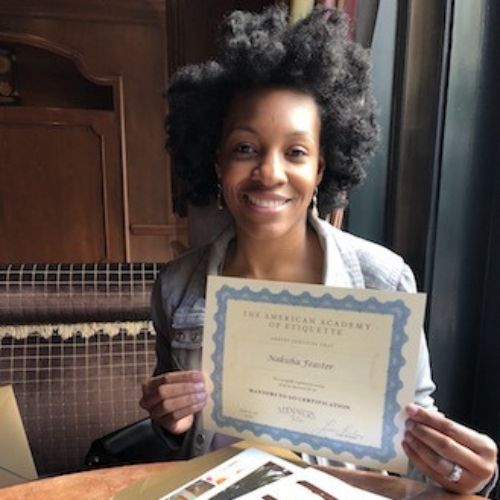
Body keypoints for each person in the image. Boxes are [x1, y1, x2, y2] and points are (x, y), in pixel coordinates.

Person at [140, 5, 497, 495]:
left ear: (322, 170)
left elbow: (414, 446)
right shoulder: (177, 287)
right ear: (217, 162)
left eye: (295, 152)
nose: (269, 173)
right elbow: (179, 452)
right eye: (245, 148)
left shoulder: (383, 279)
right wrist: (167, 423)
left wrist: (471, 474)